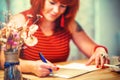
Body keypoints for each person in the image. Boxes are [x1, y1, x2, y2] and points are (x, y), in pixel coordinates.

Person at [0, 0, 110, 77]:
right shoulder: (20, 21)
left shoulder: (69, 24)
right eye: (52, 2)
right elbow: (4, 60)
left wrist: (99, 50)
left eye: (63, 6)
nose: (56, 10)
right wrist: (31, 67)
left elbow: (92, 48)